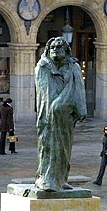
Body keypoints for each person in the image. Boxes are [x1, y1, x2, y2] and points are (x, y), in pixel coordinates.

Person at [34, 37, 87, 192]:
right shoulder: (43, 67)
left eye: (59, 47)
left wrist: (78, 108)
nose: (56, 50)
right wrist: (56, 108)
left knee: (64, 148)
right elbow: (46, 94)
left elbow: (79, 88)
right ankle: (46, 179)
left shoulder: (73, 67)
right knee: (48, 146)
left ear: (66, 50)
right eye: (53, 48)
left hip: (66, 116)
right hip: (48, 117)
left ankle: (61, 178)